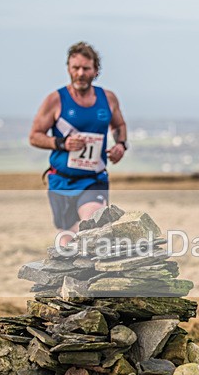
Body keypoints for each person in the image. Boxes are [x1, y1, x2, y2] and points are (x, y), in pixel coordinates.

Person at [29, 41, 128, 243]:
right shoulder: (56, 100)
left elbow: (118, 126)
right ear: (68, 69)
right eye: (75, 68)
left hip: (94, 179)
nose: (80, 73)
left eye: (86, 68)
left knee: (93, 223)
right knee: (67, 239)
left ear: (95, 70)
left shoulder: (107, 99)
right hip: (61, 180)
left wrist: (121, 145)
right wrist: (62, 144)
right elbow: (35, 136)